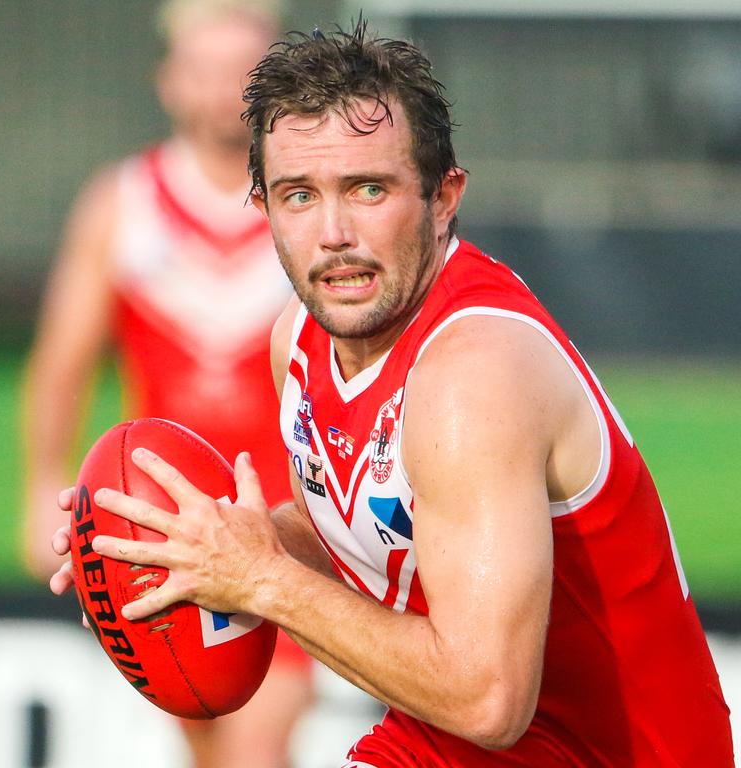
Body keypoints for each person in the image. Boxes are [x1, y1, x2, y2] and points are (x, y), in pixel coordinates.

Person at [49, 20, 736, 767]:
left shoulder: (472, 377)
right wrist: (178, 548)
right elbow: (366, 543)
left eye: (367, 188)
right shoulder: (302, 343)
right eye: (299, 195)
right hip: (445, 742)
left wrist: (262, 578)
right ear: (264, 210)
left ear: (445, 199)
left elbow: (487, 697)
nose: (334, 231)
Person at [21, 1, 314, 766]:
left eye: (244, 74)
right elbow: (63, 363)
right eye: (206, 72)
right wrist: (40, 483)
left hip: (286, 521)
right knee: (202, 733)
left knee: (260, 740)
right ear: (169, 83)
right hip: (153, 524)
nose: (225, 92)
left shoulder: (314, 208)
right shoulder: (122, 205)